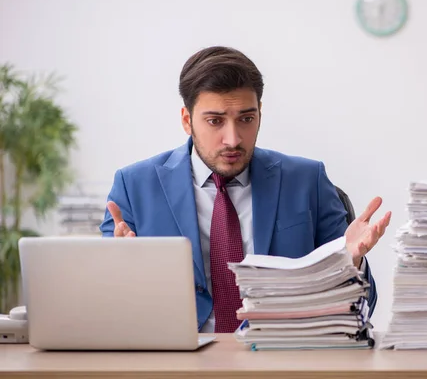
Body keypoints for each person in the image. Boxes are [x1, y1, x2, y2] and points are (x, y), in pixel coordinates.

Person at [100, 46, 392, 333]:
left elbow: (363, 306)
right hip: (180, 359)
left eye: (246, 119)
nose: (233, 138)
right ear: (187, 121)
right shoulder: (133, 186)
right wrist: (123, 273)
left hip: (281, 356)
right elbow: (107, 310)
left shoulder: (307, 181)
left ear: (260, 114)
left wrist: (351, 263)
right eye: (215, 121)